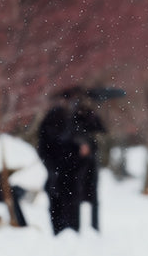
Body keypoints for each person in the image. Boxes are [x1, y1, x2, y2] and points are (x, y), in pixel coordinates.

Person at [37, 89, 106, 234]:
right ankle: (66, 233)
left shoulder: (79, 117)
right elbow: (46, 145)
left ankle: (70, 233)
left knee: (67, 207)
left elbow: (96, 134)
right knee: (62, 207)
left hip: (70, 171)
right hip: (63, 170)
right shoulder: (58, 118)